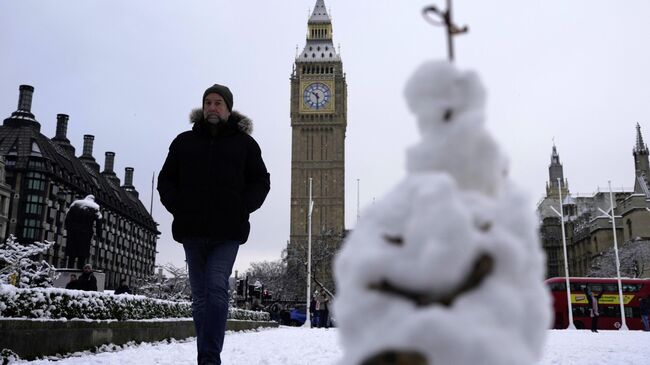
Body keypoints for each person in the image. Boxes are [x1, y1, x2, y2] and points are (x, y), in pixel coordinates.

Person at [157, 83, 270, 365]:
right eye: (208, 102)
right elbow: (166, 180)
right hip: (191, 230)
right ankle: (206, 357)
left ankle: (209, 358)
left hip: (227, 232)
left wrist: (243, 207)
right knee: (200, 298)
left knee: (216, 288)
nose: (212, 107)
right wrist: (178, 208)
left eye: (218, 102)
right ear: (202, 107)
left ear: (228, 109)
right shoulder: (184, 141)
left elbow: (261, 181)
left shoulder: (245, 144)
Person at [64, 195, 102, 269]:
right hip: (86, 233)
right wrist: (98, 234)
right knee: (82, 253)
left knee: (72, 253)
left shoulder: (75, 204)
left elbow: (67, 218)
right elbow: (99, 220)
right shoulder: (95, 207)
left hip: (73, 232)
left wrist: (69, 228)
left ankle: (69, 268)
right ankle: (80, 269)